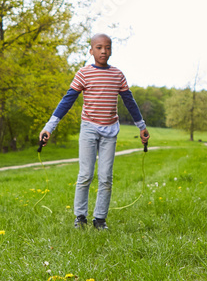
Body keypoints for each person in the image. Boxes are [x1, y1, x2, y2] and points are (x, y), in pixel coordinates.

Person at [40, 34, 149, 230]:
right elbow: (67, 100)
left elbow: (129, 102)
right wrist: (49, 126)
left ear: (111, 50)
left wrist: (141, 127)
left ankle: (99, 219)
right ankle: (80, 217)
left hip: (110, 130)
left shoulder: (117, 75)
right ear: (91, 51)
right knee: (85, 175)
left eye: (107, 47)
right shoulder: (84, 73)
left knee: (106, 176)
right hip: (89, 128)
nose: (103, 51)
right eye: (99, 47)